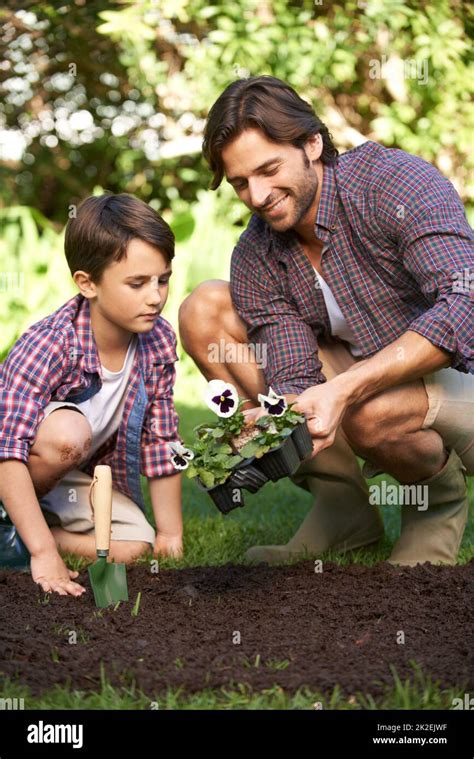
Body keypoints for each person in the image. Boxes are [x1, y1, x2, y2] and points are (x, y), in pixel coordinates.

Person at [179, 75, 473, 567]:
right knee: (204, 309)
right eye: (240, 184)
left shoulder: (391, 184)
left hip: (461, 378)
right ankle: (344, 509)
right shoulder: (258, 251)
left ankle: (434, 508)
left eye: (269, 169)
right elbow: (294, 377)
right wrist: (269, 427)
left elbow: (465, 306)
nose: (257, 195)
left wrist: (348, 389)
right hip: (376, 386)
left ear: (312, 143)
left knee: (368, 409)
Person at [0, 193, 183, 596]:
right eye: (137, 283)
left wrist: (170, 533)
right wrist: (44, 554)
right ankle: (27, 535)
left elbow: (160, 441)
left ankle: (18, 536)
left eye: (162, 279)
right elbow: (7, 451)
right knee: (68, 432)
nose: (155, 296)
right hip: (14, 472)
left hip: (68, 481)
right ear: (87, 283)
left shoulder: (158, 341)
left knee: (137, 546)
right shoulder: (48, 344)